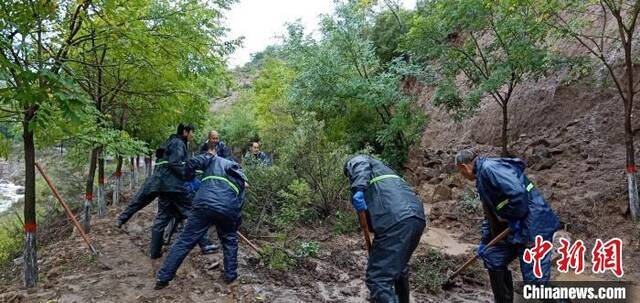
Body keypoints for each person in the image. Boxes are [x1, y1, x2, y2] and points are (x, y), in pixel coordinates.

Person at [454, 150, 561, 303]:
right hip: (515, 227)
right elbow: (489, 215)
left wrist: (516, 216)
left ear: (465, 167)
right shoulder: (482, 177)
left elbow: (517, 193)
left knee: (535, 284)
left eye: (460, 172)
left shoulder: (490, 168)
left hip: (534, 226)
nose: (462, 175)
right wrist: (485, 241)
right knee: (493, 257)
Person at [114, 124, 217, 258]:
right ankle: (206, 245)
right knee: (194, 212)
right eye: (192, 132)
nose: (193, 135)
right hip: (174, 187)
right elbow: (175, 163)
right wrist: (187, 176)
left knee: (162, 217)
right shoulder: (178, 143)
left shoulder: (169, 143)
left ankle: (155, 251)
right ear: (185, 132)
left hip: (163, 186)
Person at [155, 141, 247, 290]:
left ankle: (163, 278)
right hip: (229, 208)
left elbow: (191, 162)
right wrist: (234, 224)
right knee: (230, 241)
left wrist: (188, 177)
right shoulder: (239, 172)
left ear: (215, 152)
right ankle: (231, 276)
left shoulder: (212, 159)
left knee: (185, 240)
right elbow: (240, 202)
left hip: (204, 204)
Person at [343, 155, 426, 303]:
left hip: (395, 220)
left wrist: (359, 189)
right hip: (416, 218)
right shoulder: (386, 172)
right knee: (399, 268)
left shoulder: (359, 160)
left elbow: (360, 166)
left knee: (378, 278)